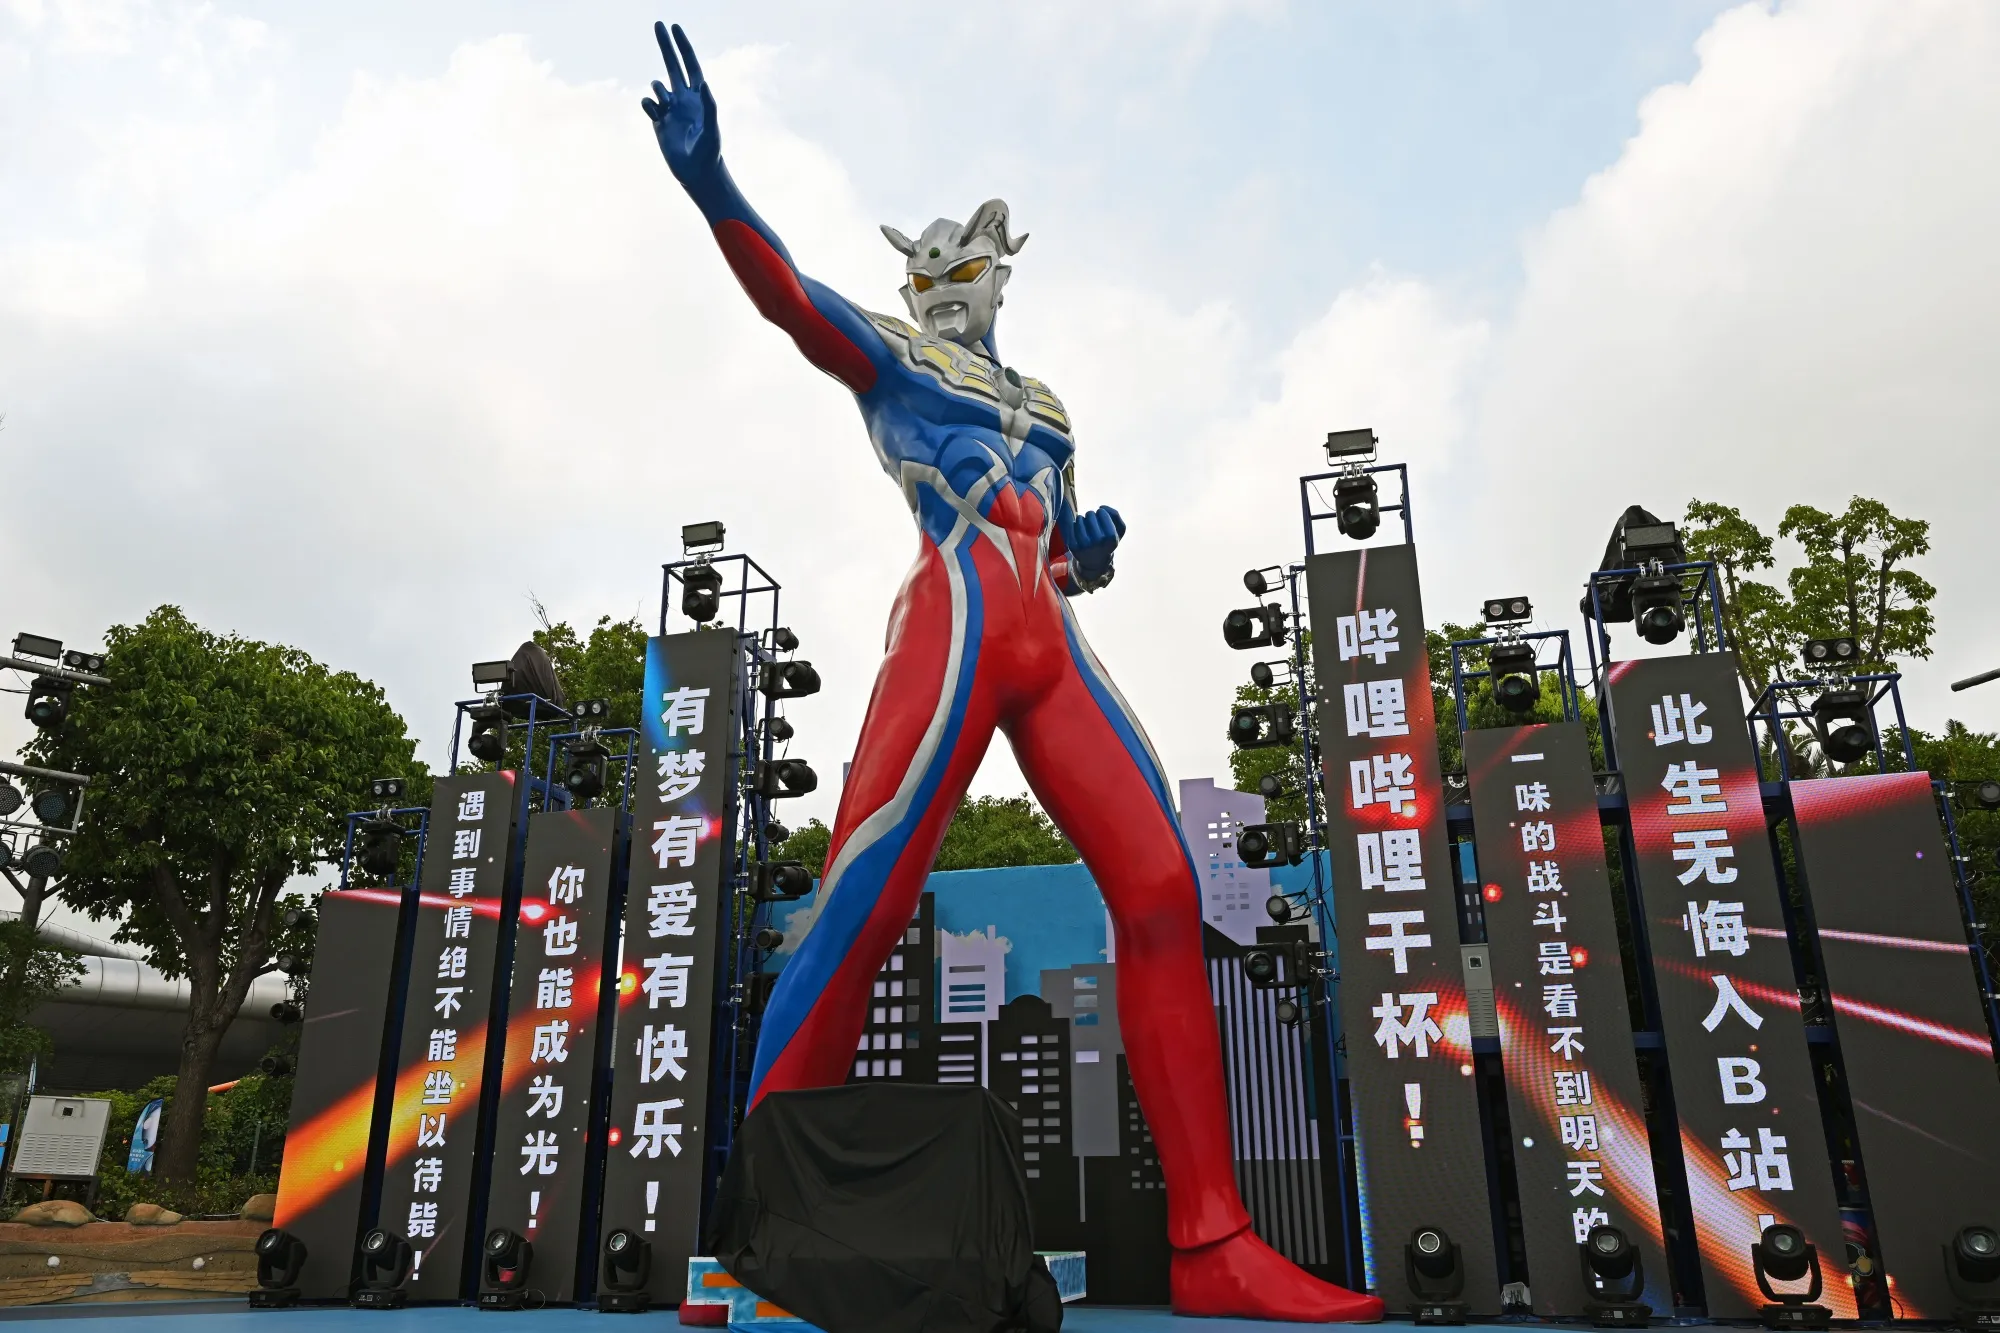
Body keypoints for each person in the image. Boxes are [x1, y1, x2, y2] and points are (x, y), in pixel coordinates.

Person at [642, 23, 1382, 1322]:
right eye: (924, 272)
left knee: (1162, 887)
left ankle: (1213, 1243)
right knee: (861, 902)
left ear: (999, 278)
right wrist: (714, 187)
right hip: (952, 627)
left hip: (1047, 645)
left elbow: (1069, 555)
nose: (939, 287)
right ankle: (755, 1233)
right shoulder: (897, 363)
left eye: (962, 269)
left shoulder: (1049, 406)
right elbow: (794, 303)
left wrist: (1093, 550)